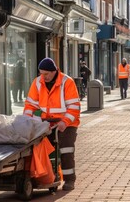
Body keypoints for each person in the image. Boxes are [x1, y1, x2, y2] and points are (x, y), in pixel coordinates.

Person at [24, 57, 80, 191]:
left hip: (67, 123)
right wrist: (26, 120)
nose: (43, 77)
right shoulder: (37, 82)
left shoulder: (67, 82)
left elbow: (74, 107)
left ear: (54, 71)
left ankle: (69, 180)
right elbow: (30, 104)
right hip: (47, 122)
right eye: (41, 73)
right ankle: (47, 176)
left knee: (66, 148)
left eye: (46, 74)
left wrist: (64, 122)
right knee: (37, 146)